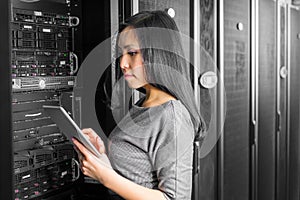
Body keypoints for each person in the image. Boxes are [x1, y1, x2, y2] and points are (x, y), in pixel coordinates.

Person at [72, 10, 206, 200]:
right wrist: (102, 161)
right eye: (122, 53)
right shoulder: (143, 104)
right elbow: (136, 177)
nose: (123, 63)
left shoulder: (172, 115)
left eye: (132, 53)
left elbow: (174, 198)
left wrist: (106, 176)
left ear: (158, 53)